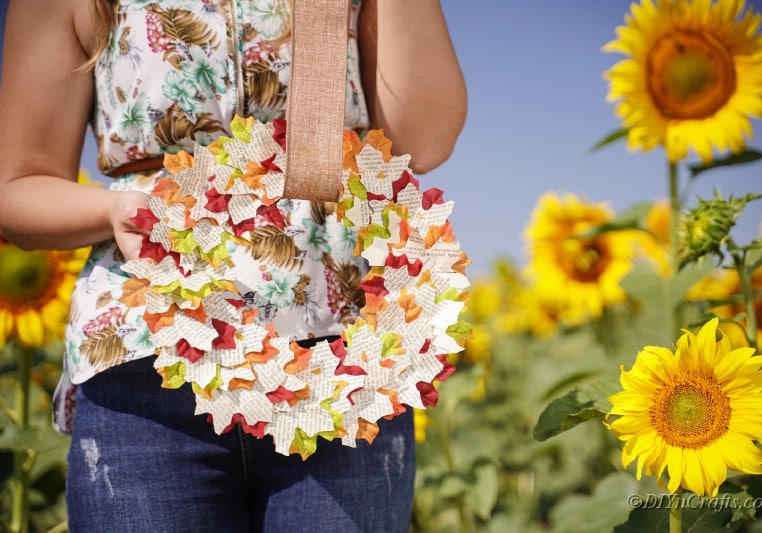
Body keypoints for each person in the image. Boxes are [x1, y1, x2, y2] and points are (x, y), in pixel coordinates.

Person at [0, 0, 467, 531]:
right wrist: (110, 210)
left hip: (345, 367)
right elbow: (18, 188)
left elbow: (424, 141)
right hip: (149, 359)